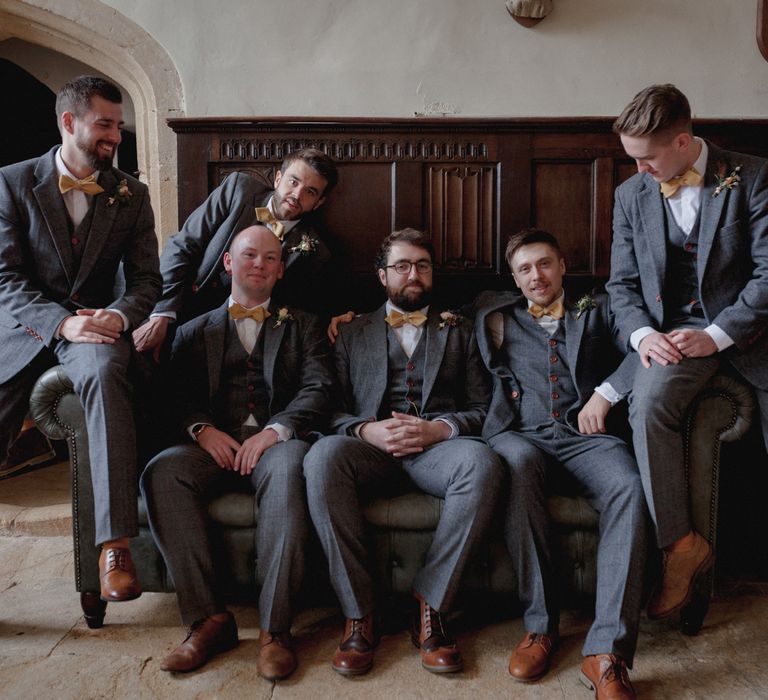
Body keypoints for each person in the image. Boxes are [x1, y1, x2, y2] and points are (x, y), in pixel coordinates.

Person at [303, 228, 504, 677]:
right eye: (402, 266)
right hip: (369, 452)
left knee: (483, 463)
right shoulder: (351, 331)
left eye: (423, 266)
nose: (413, 274)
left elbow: (481, 408)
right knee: (321, 458)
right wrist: (366, 430)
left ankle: (431, 606)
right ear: (382, 275)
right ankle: (360, 614)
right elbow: (327, 411)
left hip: (436, 453)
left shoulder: (461, 330)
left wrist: (438, 429)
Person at [141, 224, 334, 679]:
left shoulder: (304, 324)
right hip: (214, 446)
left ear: (281, 269)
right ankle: (208, 619)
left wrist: (276, 430)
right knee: (162, 472)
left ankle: (275, 628)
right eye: (250, 256)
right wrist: (201, 429)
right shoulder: (192, 331)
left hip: (276, 447)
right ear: (229, 263)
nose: (260, 265)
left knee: (289, 470)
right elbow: (174, 396)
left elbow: (319, 387)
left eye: (270, 259)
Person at [608, 83, 768, 622]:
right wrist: (642, 337)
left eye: (647, 158)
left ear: (682, 140)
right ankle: (680, 546)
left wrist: (719, 333)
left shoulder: (756, 176)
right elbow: (621, 288)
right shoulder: (631, 195)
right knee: (647, 404)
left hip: (751, 335)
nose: (639, 171)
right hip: (670, 339)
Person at [0, 75, 161, 601]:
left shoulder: (131, 195)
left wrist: (118, 316)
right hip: (24, 327)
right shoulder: (11, 182)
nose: (116, 136)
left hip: (96, 326)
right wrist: (58, 322)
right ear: (69, 123)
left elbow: (146, 282)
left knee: (107, 371)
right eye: (105, 125)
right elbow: (5, 279)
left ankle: (114, 545)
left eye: (119, 125)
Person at [476, 229, 645, 700]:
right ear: (514, 277)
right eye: (525, 269)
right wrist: (346, 320)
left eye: (544, 264)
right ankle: (540, 627)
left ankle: (606, 651)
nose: (537, 276)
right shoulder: (493, 312)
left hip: (585, 435)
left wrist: (605, 395)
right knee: (518, 463)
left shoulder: (600, 307)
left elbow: (643, 348)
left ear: (563, 264)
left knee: (629, 487)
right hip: (522, 435)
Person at [133, 148, 342, 361]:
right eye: (293, 182)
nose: (297, 195)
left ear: (319, 202)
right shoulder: (237, 190)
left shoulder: (316, 252)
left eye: (310, 192)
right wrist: (163, 313)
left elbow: (313, 309)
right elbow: (182, 246)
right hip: (184, 310)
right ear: (278, 178)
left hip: (244, 339)